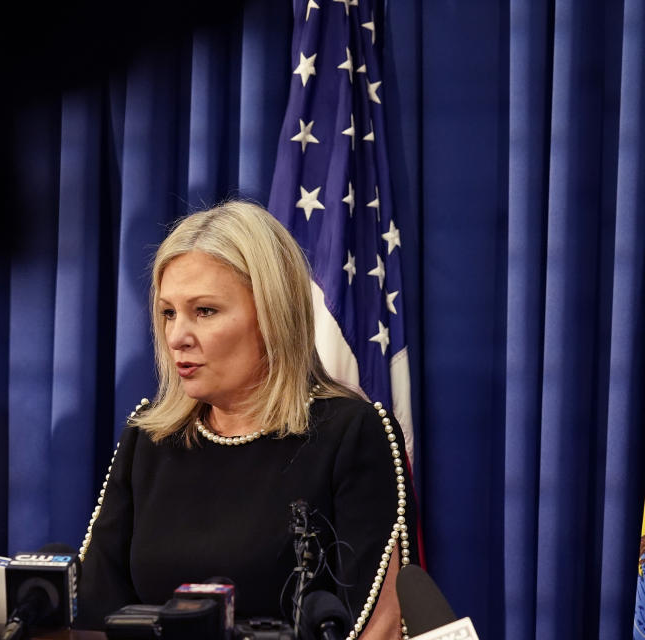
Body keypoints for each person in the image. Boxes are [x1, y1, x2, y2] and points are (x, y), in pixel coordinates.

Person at [76, 201, 420, 639]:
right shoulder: (150, 437)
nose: (177, 336)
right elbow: (95, 612)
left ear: (272, 317)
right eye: (168, 312)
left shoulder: (351, 434)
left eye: (204, 311)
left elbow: (377, 626)